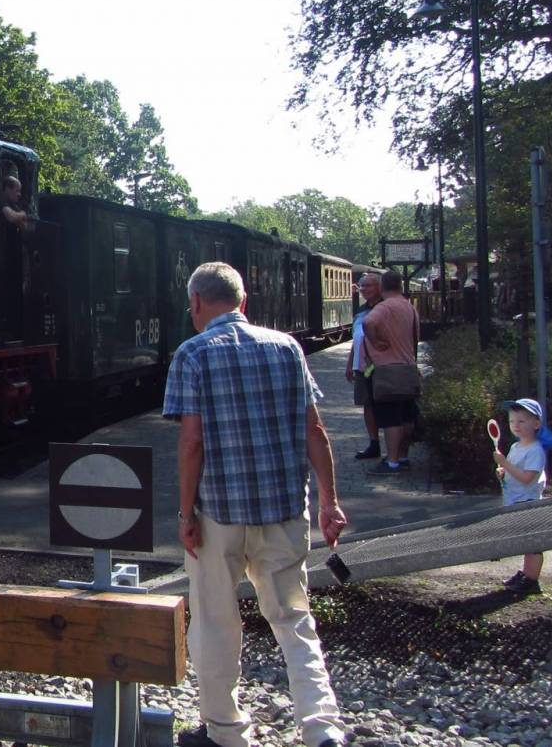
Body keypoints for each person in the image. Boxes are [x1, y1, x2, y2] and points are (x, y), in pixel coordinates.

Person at [164, 262, 349, 747]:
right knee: (294, 620)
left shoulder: (192, 354)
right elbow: (315, 430)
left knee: (214, 621)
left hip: (218, 516)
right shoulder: (287, 347)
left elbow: (191, 444)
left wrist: (186, 514)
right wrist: (329, 502)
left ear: (196, 302)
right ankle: (322, 729)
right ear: (243, 302)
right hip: (283, 511)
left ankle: (225, 731)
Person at [364, 270, 420, 475]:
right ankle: (403, 457)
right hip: (408, 367)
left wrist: (375, 341)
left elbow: (368, 323)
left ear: (382, 287)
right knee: (407, 417)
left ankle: (392, 462)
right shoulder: (409, 307)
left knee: (391, 418)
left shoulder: (384, 307)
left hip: (388, 370)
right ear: (401, 286)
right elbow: (415, 338)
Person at [494, 397, 550, 595]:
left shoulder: (536, 451)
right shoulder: (515, 447)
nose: (515, 425)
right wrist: (503, 472)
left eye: (522, 421)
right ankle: (526, 574)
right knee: (525, 541)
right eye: (512, 421)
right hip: (515, 501)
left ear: (536, 424)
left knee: (532, 543)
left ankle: (532, 581)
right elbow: (514, 472)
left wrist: (505, 463)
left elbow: (527, 479)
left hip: (529, 503)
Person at [347, 273, 382, 459]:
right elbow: (356, 339)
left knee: (385, 403)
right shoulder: (360, 310)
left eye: (369, 285)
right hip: (362, 366)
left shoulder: (384, 308)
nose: (364, 289)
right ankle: (374, 443)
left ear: (379, 287)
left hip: (381, 364)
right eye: (362, 286)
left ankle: (397, 450)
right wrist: (349, 363)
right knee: (367, 404)